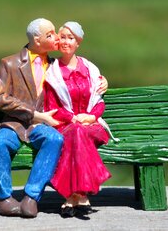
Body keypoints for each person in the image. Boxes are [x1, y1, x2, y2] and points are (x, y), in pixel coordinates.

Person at [0, 18, 64, 218]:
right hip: (15, 123)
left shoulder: (58, 66)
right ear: (37, 40)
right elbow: (0, 98)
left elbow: (80, 74)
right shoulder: (10, 63)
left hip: (41, 126)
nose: (56, 38)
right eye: (51, 35)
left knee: (55, 139)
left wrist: (101, 79)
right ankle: (3, 198)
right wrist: (33, 114)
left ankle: (32, 196)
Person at [43, 21, 115, 219]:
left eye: (70, 38)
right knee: (76, 132)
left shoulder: (90, 69)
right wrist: (73, 117)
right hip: (66, 125)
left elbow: (99, 101)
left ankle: (70, 196)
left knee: (79, 133)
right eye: (63, 37)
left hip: (92, 126)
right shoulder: (53, 72)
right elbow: (51, 107)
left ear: (78, 43)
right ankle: (81, 196)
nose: (66, 41)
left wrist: (92, 116)